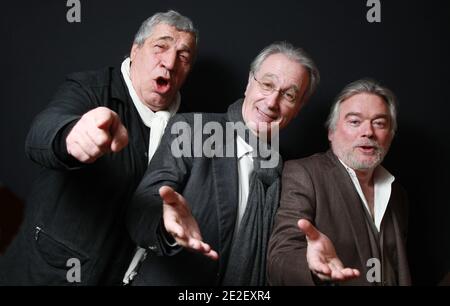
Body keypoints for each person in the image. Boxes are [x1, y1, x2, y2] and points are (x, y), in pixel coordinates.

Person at [0, 10, 198, 285]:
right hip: (48, 273)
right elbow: (41, 132)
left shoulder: (188, 129)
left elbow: (155, 212)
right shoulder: (91, 88)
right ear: (135, 49)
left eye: (184, 57)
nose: (170, 62)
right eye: (160, 47)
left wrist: (169, 231)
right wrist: (70, 137)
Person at [125, 42, 320, 285]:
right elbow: (140, 211)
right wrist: (166, 224)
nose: (271, 102)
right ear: (250, 82)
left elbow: (283, 253)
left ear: (298, 107)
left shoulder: (288, 172)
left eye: (289, 95)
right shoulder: (193, 130)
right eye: (267, 85)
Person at [267, 79, 411, 286]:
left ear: (390, 134)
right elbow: (279, 258)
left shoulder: (397, 194)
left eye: (379, 123)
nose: (368, 132)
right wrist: (312, 267)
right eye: (354, 121)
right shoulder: (304, 173)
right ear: (331, 132)